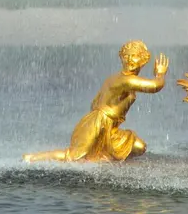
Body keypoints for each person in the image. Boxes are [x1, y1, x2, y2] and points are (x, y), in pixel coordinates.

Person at [23, 40, 168, 162]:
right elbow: (154, 86)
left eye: (135, 56)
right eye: (126, 56)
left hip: (110, 128)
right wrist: (160, 74)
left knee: (139, 147)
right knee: (73, 156)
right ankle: (32, 158)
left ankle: (100, 158)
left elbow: (94, 102)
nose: (130, 59)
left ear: (143, 60)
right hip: (98, 123)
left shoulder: (116, 78)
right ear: (121, 58)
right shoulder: (125, 80)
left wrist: (110, 120)